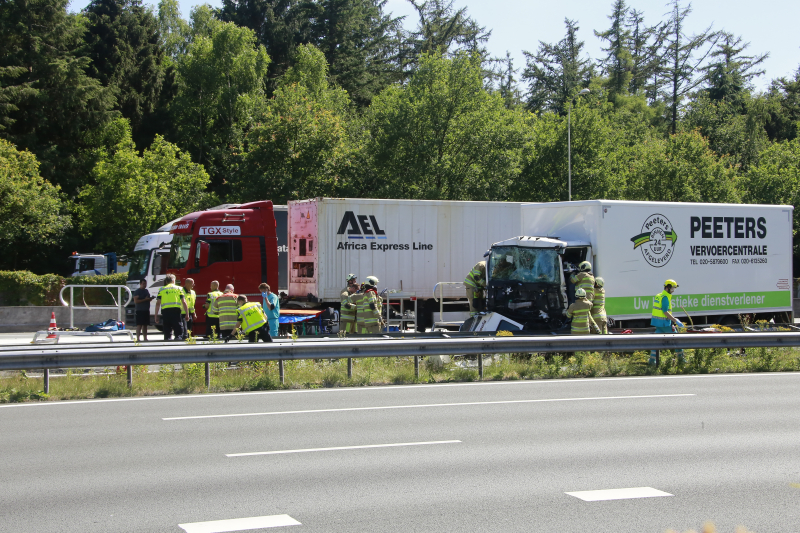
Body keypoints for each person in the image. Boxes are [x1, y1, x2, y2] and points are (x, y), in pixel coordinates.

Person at [650, 279, 685, 365]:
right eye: (672, 288)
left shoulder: (659, 295)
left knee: (656, 343)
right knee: (676, 339)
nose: (673, 291)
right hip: (665, 323)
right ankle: (681, 360)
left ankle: (652, 361)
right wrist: (675, 320)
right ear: (667, 288)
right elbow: (665, 312)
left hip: (657, 323)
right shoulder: (665, 297)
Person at [154, 273, 188, 341]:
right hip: (176, 311)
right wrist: (187, 313)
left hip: (165, 311)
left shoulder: (161, 289)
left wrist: (156, 316)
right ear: (173, 280)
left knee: (167, 328)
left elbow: (158, 303)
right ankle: (178, 340)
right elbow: (184, 302)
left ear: (166, 281)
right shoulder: (179, 288)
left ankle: (167, 340)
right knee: (178, 327)